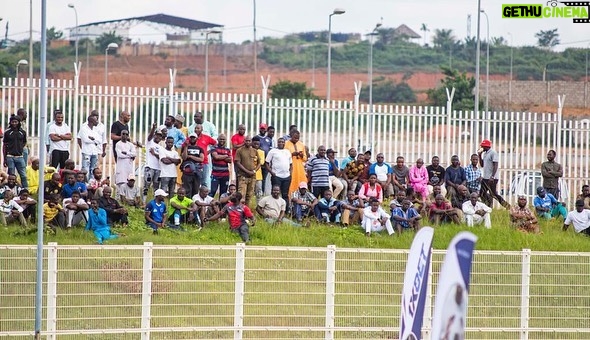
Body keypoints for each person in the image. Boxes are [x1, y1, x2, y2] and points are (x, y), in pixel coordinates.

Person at [478, 139, 510, 209]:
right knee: (482, 193)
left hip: (492, 178)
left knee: (493, 194)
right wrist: (479, 155)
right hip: (486, 177)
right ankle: (488, 206)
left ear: (486, 146)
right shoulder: (486, 153)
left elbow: (496, 165)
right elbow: (482, 164)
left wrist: (492, 176)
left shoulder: (493, 153)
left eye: (483, 146)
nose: (482, 148)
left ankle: (508, 206)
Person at [77, 111, 105, 179]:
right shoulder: (83, 128)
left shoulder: (95, 129)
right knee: (85, 169)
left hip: (94, 152)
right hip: (86, 151)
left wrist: (93, 139)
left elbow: (99, 141)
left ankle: (91, 183)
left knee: (93, 169)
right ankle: (85, 183)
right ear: (91, 121)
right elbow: (85, 140)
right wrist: (93, 140)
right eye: (95, 121)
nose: (97, 122)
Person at [3, 115, 28, 189]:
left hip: (20, 157)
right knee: (11, 175)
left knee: (23, 174)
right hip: (10, 156)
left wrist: (19, 149)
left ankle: (25, 189)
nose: (14, 123)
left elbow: (24, 142)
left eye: (16, 122)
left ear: (18, 122)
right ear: (10, 122)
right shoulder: (7, 132)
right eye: (12, 122)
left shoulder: (22, 132)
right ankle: (10, 189)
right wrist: (5, 158)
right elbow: (4, 146)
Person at [234, 136, 259, 207]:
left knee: (249, 195)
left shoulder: (254, 151)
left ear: (251, 142)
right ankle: (238, 210)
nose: (248, 142)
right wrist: (247, 171)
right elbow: (238, 162)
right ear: (244, 141)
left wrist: (254, 171)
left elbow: (259, 163)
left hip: (252, 177)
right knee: (241, 195)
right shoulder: (239, 150)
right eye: (246, 141)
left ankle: (246, 211)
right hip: (243, 176)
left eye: (249, 141)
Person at [266, 137, 292, 204]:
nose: (281, 143)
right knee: (275, 193)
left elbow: (291, 164)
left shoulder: (287, 152)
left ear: (284, 143)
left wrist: (290, 174)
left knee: (285, 194)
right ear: (277, 143)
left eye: (282, 142)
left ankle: (286, 211)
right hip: (276, 176)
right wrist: (271, 172)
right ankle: (274, 209)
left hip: (287, 176)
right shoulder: (273, 151)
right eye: (279, 142)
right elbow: (266, 163)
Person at [191, 123, 217, 189]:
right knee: (194, 180)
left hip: (204, 162)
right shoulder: (191, 138)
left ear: (202, 129)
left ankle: (204, 196)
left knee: (204, 180)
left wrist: (210, 151)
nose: (196, 129)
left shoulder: (206, 137)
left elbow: (215, 143)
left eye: (198, 128)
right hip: (193, 162)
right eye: (195, 128)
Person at [181, 133, 205, 198]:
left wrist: (191, 156)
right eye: (191, 137)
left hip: (197, 172)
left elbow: (201, 159)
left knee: (195, 190)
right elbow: (184, 157)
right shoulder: (185, 147)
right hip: (187, 172)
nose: (192, 139)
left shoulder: (200, 148)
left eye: (194, 137)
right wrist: (186, 147)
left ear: (196, 139)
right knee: (187, 190)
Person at [284, 130, 307, 196]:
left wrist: (301, 155)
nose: (296, 139)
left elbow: (305, 159)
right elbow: (283, 156)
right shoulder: (286, 144)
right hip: (290, 167)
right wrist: (292, 154)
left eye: (298, 138)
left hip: (299, 168)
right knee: (291, 183)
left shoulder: (301, 144)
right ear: (291, 136)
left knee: (301, 182)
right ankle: (290, 199)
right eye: (295, 138)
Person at [210, 133, 232, 198]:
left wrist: (220, 157)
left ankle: (221, 207)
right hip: (215, 174)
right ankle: (209, 207)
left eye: (223, 139)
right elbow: (216, 157)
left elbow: (230, 160)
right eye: (220, 139)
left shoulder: (228, 149)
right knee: (212, 191)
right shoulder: (213, 148)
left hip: (225, 175)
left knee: (223, 193)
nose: (222, 141)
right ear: (217, 139)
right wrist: (225, 156)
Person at [114, 130, 137, 194]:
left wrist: (126, 152)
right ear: (121, 135)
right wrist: (130, 156)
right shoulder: (118, 144)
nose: (125, 135)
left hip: (128, 168)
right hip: (121, 168)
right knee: (120, 186)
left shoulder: (130, 145)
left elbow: (134, 154)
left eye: (126, 134)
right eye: (123, 134)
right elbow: (119, 155)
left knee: (128, 185)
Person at [252, 136, 266, 202]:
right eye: (254, 144)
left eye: (257, 144)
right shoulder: (249, 151)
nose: (256, 145)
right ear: (252, 143)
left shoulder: (261, 152)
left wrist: (254, 159)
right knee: (250, 192)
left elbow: (262, 162)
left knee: (259, 192)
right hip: (249, 175)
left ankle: (259, 206)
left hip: (258, 175)